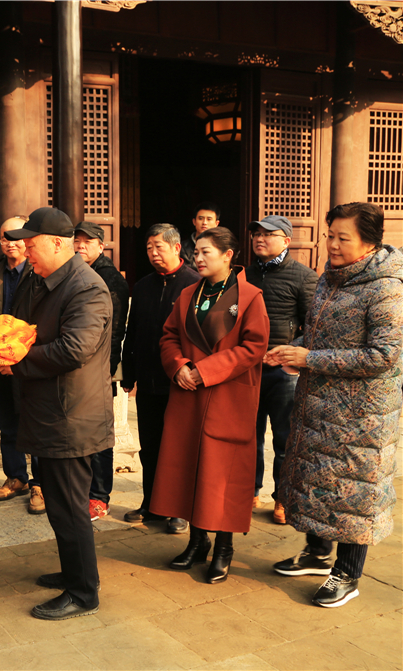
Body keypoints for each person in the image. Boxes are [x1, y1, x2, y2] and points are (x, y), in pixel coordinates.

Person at [269, 202, 402, 608]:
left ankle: (348, 573)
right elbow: (320, 335)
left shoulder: (386, 286)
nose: (333, 244)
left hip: (362, 415)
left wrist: (309, 359)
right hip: (320, 404)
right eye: (330, 235)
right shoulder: (330, 277)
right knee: (317, 482)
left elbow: (384, 356)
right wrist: (295, 349)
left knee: (353, 494)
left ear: (369, 241)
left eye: (343, 238)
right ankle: (317, 553)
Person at [4, 207, 112, 620]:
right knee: (56, 504)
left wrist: (15, 362)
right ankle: (74, 572)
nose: (25, 252)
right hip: (47, 411)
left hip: (72, 417)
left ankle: (84, 592)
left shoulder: (88, 288)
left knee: (70, 506)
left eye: (31, 245)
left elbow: (73, 349)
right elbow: (21, 328)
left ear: (58, 244)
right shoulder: (40, 279)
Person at [151, 227, 269, 584]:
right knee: (188, 468)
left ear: (228, 255)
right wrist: (178, 366)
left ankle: (224, 548)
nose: (197, 259)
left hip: (226, 395)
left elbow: (254, 347)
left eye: (205, 252)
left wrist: (204, 370)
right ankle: (196, 542)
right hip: (188, 395)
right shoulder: (188, 293)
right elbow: (169, 336)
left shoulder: (249, 296)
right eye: (196, 252)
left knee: (222, 475)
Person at [121, 224, 200, 533]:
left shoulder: (194, 284)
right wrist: (129, 374)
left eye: (159, 248)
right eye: (149, 249)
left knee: (177, 446)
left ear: (177, 248)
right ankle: (151, 504)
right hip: (149, 381)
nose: (154, 254)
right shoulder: (142, 286)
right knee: (150, 445)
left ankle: (179, 509)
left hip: (181, 382)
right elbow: (134, 333)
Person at [245, 215, 317, 523]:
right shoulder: (244, 275)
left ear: (286, 241)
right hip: (248, 368)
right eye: (256, 234)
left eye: (268, 234)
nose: (260, 239)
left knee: (285, 439)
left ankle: (283, 498)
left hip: (283, 371)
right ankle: (249, 490)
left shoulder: (303, 276)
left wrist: (286, 352)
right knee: (248, 435)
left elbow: (314, 326)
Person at [0, 216, 43, 515]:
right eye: (5, 237)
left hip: (28, 360)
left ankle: (40, 484)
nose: (10, 242)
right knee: (8, 424)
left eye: (16, 237)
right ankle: (16, 476)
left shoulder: (39, 271)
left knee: (35, 423)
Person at [73, 221, 129, 522]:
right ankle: (83, 491)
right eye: (76, 241)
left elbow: (115, 332)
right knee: (81, 434)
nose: (80, 246)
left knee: (100, 437)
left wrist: (105, 373)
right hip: (76, 371)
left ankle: (100, 495)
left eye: (87, 241)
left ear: (100, 246)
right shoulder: (73, 272)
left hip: (99, 372)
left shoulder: (111, 279)